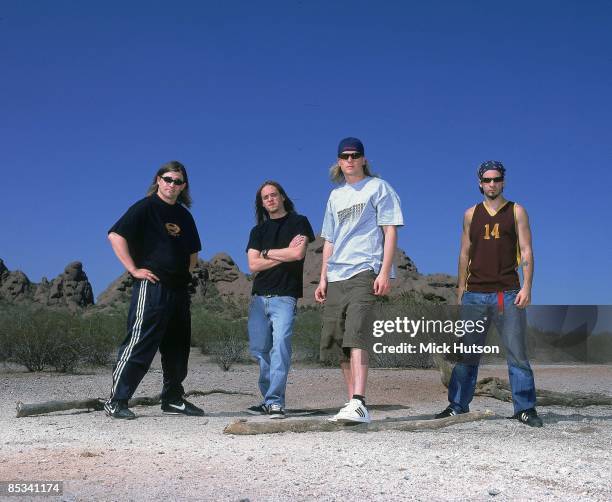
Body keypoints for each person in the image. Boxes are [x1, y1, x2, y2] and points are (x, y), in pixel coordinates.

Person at [435, 160, 543, 427]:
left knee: (517, 353)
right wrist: (460, 289)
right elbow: (464, 253)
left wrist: (527, 287)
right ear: (480, 183)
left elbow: (527, 251)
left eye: (496, 180)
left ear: (503, 181)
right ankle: (458, 406)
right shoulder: (471, 214)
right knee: (467, 354)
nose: (492, 184)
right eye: (487, 180)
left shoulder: (516, 211)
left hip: (507, 292)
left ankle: (525, 409)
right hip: (475, 293)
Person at [104, 161, 204, 420]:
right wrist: (133, 269)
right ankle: (117, 400)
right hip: (153, 286)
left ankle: (172, 399)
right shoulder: (145, 207)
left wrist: (185, 273)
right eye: (168, 179)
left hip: (179, 289)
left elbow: (193, 252)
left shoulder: (184, 216)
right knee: (141, 342)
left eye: (178, 181)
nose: (172, 185)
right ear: (158, 180)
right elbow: (115, 235)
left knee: (178, 347)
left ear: (184, 186)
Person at [315, 137, 403, 424]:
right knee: (339, 338)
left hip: (364, 269)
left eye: (355, 156)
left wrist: (384, 271)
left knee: (357, 332)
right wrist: (322, 278)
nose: (350, 160)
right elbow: (329, 239)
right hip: (336, 274)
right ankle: (352, 402)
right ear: (339, 161)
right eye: (345, 156)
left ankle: (359, 401)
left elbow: (390, 231)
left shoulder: (379, 188)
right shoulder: (335, 197)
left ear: (364, 159)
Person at [246, 181, 315, 418]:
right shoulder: (258, 232)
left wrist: (266, 253)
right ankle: (268, 400)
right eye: (265, 197)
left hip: (285, 297)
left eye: (274, 195)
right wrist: (281, 255)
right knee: (260, 351)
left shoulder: (299, 222)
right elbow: (253, 264)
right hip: (258, 298)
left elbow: (298, 253)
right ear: (262, 204)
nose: (270, 199)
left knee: (280, 348)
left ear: (283, 197)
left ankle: (275, 401)